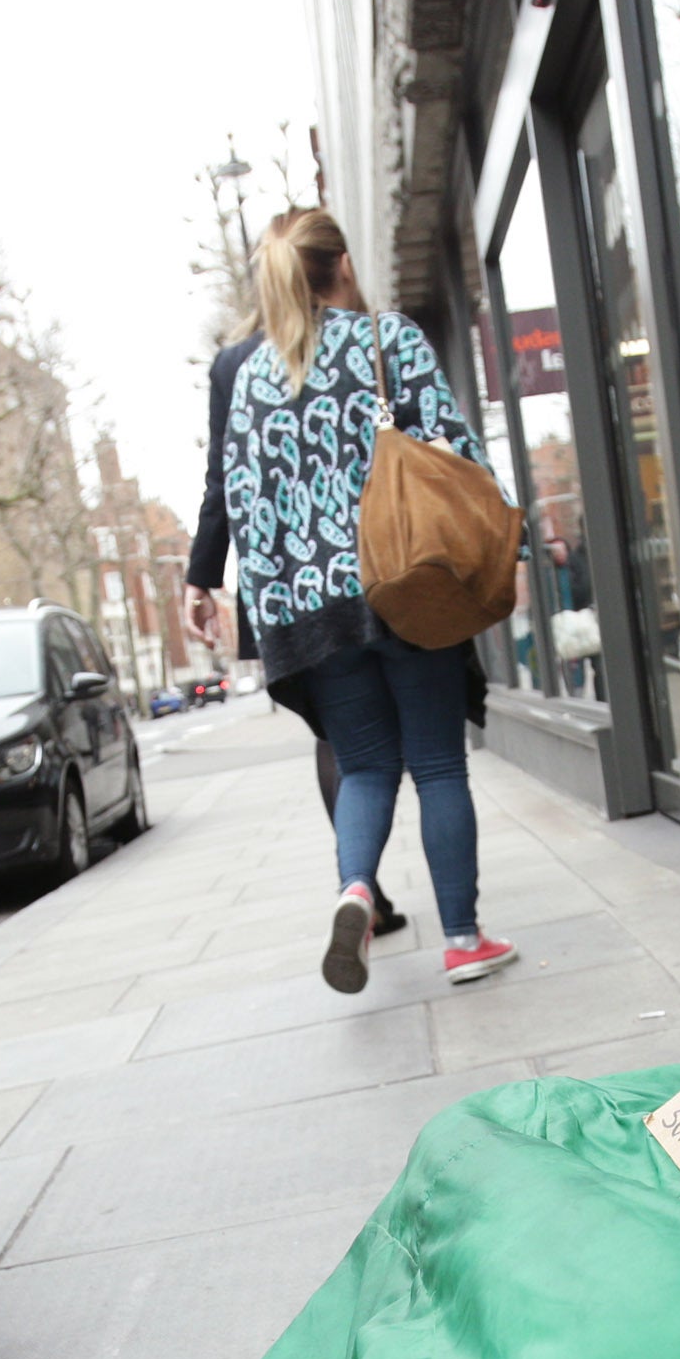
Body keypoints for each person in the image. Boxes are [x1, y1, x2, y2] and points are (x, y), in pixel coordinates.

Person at [184, 209, 517, 993]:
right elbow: (455, 451)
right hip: (402, 581)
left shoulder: (250, 377)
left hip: (308, 613)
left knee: (364, 768)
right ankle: (463, 940)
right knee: (437, 766)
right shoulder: (385, 339)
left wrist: (240, 597)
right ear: (341, 266)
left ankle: (357, 892)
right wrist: (510, 543)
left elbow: (236, 499)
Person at [183, 303, 405, 944]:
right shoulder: (361, 335)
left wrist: (202, 576)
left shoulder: (234, 363)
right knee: (431, 748)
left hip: (287, 585)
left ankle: (361, 888)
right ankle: (458, 924)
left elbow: (223, 480)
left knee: (342, 742)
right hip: (386, 558)